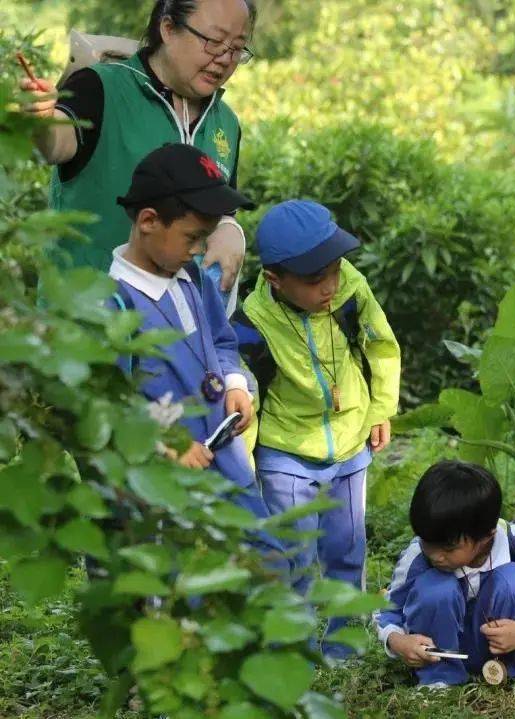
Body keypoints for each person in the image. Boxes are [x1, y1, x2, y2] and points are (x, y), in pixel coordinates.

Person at [232, 199, 400, 658]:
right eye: (313, 280)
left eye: (333, 269)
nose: (329, 286)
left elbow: (380, 344)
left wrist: (380, 409)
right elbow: (248, 396)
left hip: (349, 443)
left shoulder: (350, 287)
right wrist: (244, 469)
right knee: (294, 557)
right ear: (274, 280)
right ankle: (296, 650)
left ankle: (345, 645)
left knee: (348, 551)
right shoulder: (254, 323)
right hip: (286, 454)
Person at [19, 0, 257, 311]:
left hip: (174, 336)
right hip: (86, 323)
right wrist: (40, 119)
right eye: (214, 42)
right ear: (169, 28)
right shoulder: (101, 87)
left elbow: (220, 210)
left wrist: (230, 228)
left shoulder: (225, 121)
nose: (224, 59)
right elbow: (54, 144)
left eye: (237, 49)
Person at [107, 142, 278, 537]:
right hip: (169, 478)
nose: (202, 249)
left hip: (227, 457)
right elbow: (111, 400)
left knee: (268, 558)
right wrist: (166, 443)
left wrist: (234, 383)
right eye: (193, 237)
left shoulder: (193, 278)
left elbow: (221, 339)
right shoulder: (114, 305)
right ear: (149, 221)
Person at [375, 461, 515, 692]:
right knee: (435, 588)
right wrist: (398, 641)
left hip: (505, 647)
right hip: (439, 651)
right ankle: (438, 678)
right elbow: (386, 610)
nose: (435, 555)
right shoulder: (418, 555)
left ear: (486, 537)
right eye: (427, 542)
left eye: (448, 548)